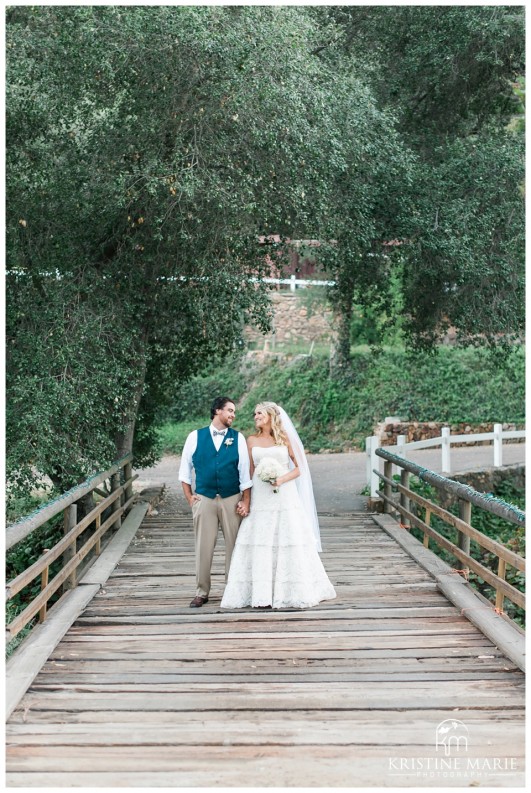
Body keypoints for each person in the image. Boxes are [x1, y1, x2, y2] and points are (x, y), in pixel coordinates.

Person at [220, 401, 336, 610]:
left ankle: (290, 590)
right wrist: (246, 499)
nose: (255, 416)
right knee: (261, 538)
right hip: (261, 495)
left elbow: (300, 468)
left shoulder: (284, 438)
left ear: (271, 416)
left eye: (260, 413)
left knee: (287, 537)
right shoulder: (251, 440)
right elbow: (249, 471)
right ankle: (261, 593)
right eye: (255, 413)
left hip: (284, 494)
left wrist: (281, 479)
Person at [179, 396, 252, 607]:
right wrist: (190, 498)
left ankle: (233, 589)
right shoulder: (195, 437)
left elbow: (245, 475)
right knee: (203, 546)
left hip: (231, 499)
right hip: (205, 499)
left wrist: (245, 501)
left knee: (235, 546)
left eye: (234, 412)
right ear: (218, 411)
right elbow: (185, 471)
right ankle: (201, 591)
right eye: (230, 410)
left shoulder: (238, 438)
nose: (233, 415)